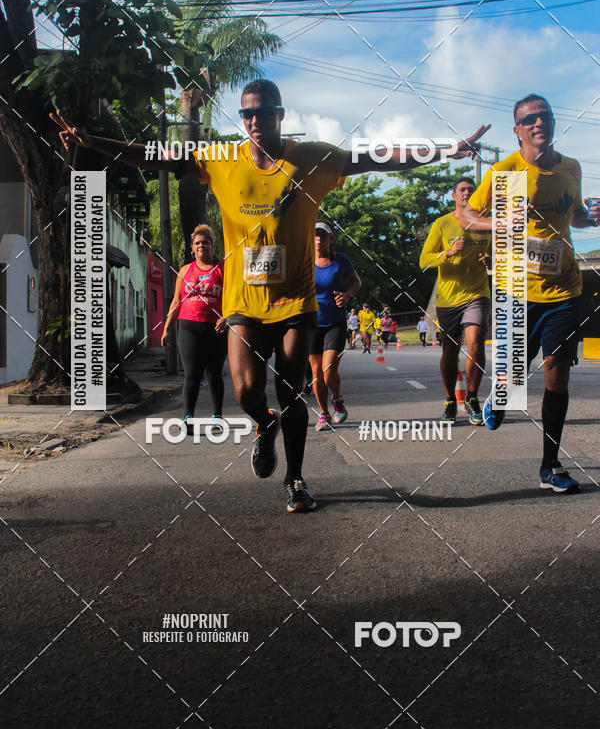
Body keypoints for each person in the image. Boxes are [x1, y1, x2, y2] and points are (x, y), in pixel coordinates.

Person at [51, 84, 487, 512]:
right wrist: (95, 143)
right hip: (244, 305)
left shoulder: (312, 158)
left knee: (292, 390)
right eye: (247, 114)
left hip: (296, 304)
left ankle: (295, 480)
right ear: (241, 120)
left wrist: (446, 149)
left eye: (264, 112)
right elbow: (158, 155)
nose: (255, 120)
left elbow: (378, 157)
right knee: (245, 391)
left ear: (281, 115)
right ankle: (264, 423)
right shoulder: (222, 159)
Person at [460, 93, 599, 491]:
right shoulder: (505, 171)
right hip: (516, 289)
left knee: (557, 374)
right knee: (515, 377)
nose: (540, 122)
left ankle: (550, 466)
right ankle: (501, 394)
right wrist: (498, 226)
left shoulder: (571, 168)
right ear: (518, 129)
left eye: (546, 116)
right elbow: (468, 216)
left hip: (564, 288)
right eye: (530, 119)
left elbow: (574, 216)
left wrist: (591, 217)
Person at [419, 177, 492, 424]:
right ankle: (451, 399)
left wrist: (491, 263)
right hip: (448, 298)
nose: (467, 193)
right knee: (449, 351)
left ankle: (471, 397)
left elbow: (500, 255)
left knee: (476, 342)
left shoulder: (487, 223)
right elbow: (424, 261)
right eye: (462, 189)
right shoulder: (442, 224)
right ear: (454, 196)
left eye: (472, 190)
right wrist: (447, 252)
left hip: (477, 294)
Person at [161, 224, 227, 428]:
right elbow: (176, 302)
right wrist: (166, 328)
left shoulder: (223, 269)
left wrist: (226, 317)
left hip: (215, 329)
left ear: (211, 245)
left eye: (205, 242)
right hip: (189, 327)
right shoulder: (184, 271)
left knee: (214, 372)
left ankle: (217, 415)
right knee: (192, 373)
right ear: (192, 247)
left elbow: (233, 298)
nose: (201, 246)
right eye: (197, 243)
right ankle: (188, 417)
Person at [310, 216, 361, 430]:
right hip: (311, 323)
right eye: (315, 235)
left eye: (323, 235)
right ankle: (323, 413)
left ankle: (337, 400)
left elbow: (357, 282)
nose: (318, 239)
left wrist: (347, 295)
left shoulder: (340, 260)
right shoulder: (303, 260)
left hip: (335, 322)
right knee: (316, 374)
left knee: (328, 370)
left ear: (331, 238)